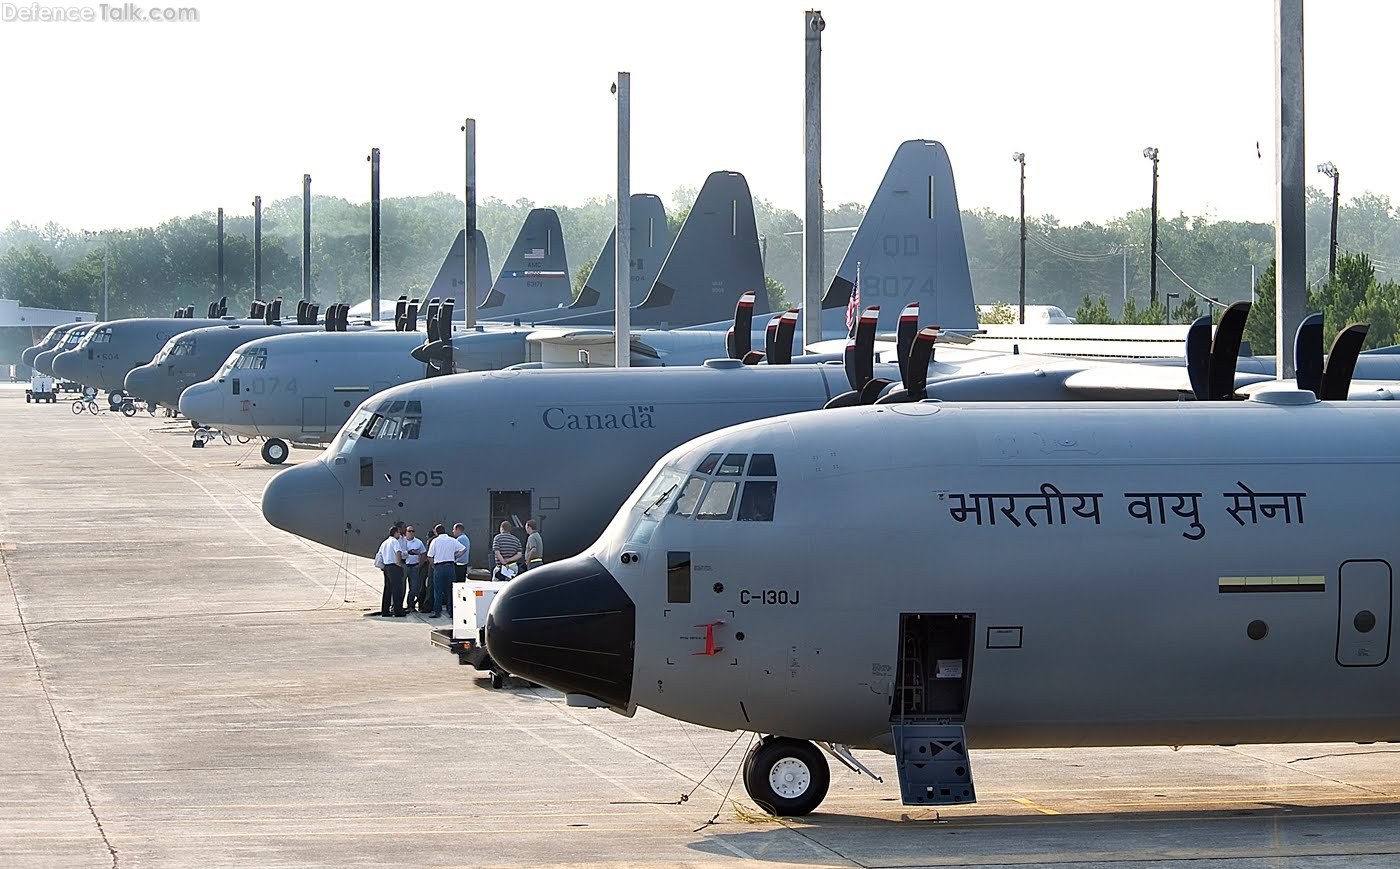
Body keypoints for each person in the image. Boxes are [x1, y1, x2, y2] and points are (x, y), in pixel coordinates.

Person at [427, 523, 466, 619]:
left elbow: (430, 556)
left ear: (436, 532)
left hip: (439, 567)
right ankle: (451, 611)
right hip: (450, 566)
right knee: (450, 590)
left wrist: (433, 566)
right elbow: (463, 549)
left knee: (438, 590)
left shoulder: (435, 541)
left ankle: (437, 611)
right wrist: (455, 556)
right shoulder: (452, 540)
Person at [375, 524, 406, 617]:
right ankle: (398, 611)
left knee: (387, 590)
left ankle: (385, 611)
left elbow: (379, 555)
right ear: (395, 533)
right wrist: (399, 563)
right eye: (398, 533)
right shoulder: (395, 542)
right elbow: (398, 552)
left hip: (386, 567)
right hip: (394, 567)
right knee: (397, 590)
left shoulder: (384, 543)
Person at [400, 525, 428, 612]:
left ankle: (410, 605)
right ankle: (398, 606)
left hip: (414, 567)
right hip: (405, 566)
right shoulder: (402, 542)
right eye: (409, 531)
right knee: (401, 587)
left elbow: (423, 554)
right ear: (406, 532)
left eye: (413, 531)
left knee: (415, 588)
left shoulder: (418, 542)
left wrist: (420, 564)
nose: (411, 533)